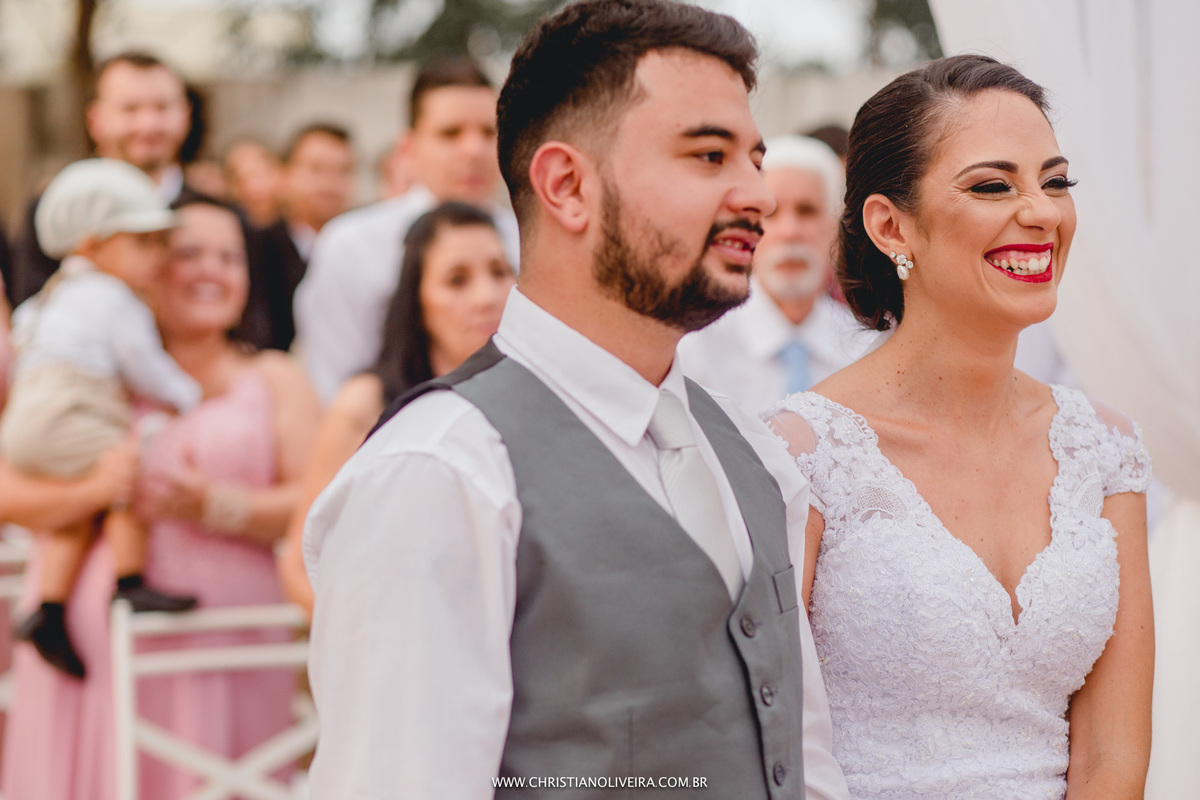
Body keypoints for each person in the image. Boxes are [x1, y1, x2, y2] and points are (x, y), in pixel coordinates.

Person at [304, 1, 850, 798]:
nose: (758, 195)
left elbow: (805, 761)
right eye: (708, 156)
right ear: (566, 186)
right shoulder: (442, 472)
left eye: (753, 158)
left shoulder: (753, 451)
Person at [764, 55, 1153, 798]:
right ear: (889, 224)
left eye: (1056, 181)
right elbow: (775, 751)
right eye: (992, 186)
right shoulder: (800, 454)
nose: (1040, 212)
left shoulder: (1104, 450)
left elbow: (1113, 758)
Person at [0, 196, 320, 800]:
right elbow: (8, 495)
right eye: (188, 252)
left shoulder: (276, 377)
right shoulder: (87, 367)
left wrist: (215, 506)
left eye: (230, 257)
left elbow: (316, 501)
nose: (211, 270)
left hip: (233, 641)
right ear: (144, 265)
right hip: (92, 652)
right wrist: (97, 490)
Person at [2, 159, 203, 679]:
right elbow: (143, 365)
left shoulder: (49, 298)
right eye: (142, 243)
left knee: (79, 505)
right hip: (71, 406)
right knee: (121, 473)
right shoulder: (112, 298)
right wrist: (187, 395)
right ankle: (130, 582)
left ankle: (47, 608)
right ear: (92, 245)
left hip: (27, 417)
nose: (157, 257)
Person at [278, 201, 514, 615]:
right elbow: (300, 566)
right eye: (457, 280)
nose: (486, 297)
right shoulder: (366, 406)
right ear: (417, 299)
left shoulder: (540, 396)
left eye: (499, 272)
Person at [293, 58, 520, 403]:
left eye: (489, 133)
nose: (473, 150)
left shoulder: (526, 240)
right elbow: (331, 387)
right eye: (451, 133)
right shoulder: (352, 245)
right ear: (408, 148)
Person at [678, 135, 874, 413]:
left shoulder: (865, 349)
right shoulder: (696, 347)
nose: (790, 232)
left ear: (836, 227)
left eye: (807, 211)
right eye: (771, 212)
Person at [10, 52, 201, 306]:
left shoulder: (214, 214)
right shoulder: (57, 209)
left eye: (162, 107)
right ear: (96, 120)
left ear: (185, 115)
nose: (148, 124)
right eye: (130, 109)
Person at [259, 123, 357, 352]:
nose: (331, 183)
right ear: (284, 175)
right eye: (317, 169)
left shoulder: (363, 253)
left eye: (344, 171)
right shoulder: (257, 248)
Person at [223, 138, 283, 227]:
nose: (256, 186)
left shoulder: (296, 223)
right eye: (243, 179)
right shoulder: (229, 226)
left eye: (263, 174)